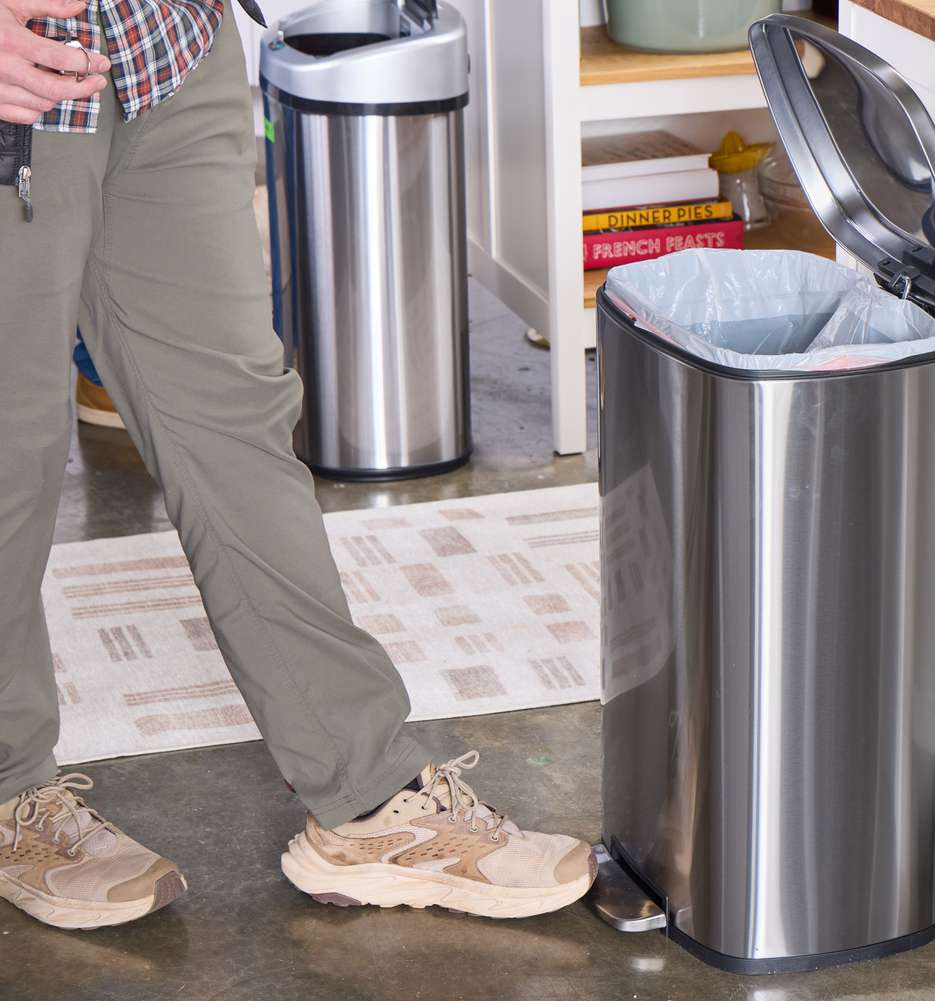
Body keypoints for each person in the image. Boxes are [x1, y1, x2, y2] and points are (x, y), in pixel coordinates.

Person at [0, 0, 595, 929]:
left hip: (163, 52)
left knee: (238, 429)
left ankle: (367, 798)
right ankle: (8, 795)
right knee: (10, 457)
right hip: (16, 82)